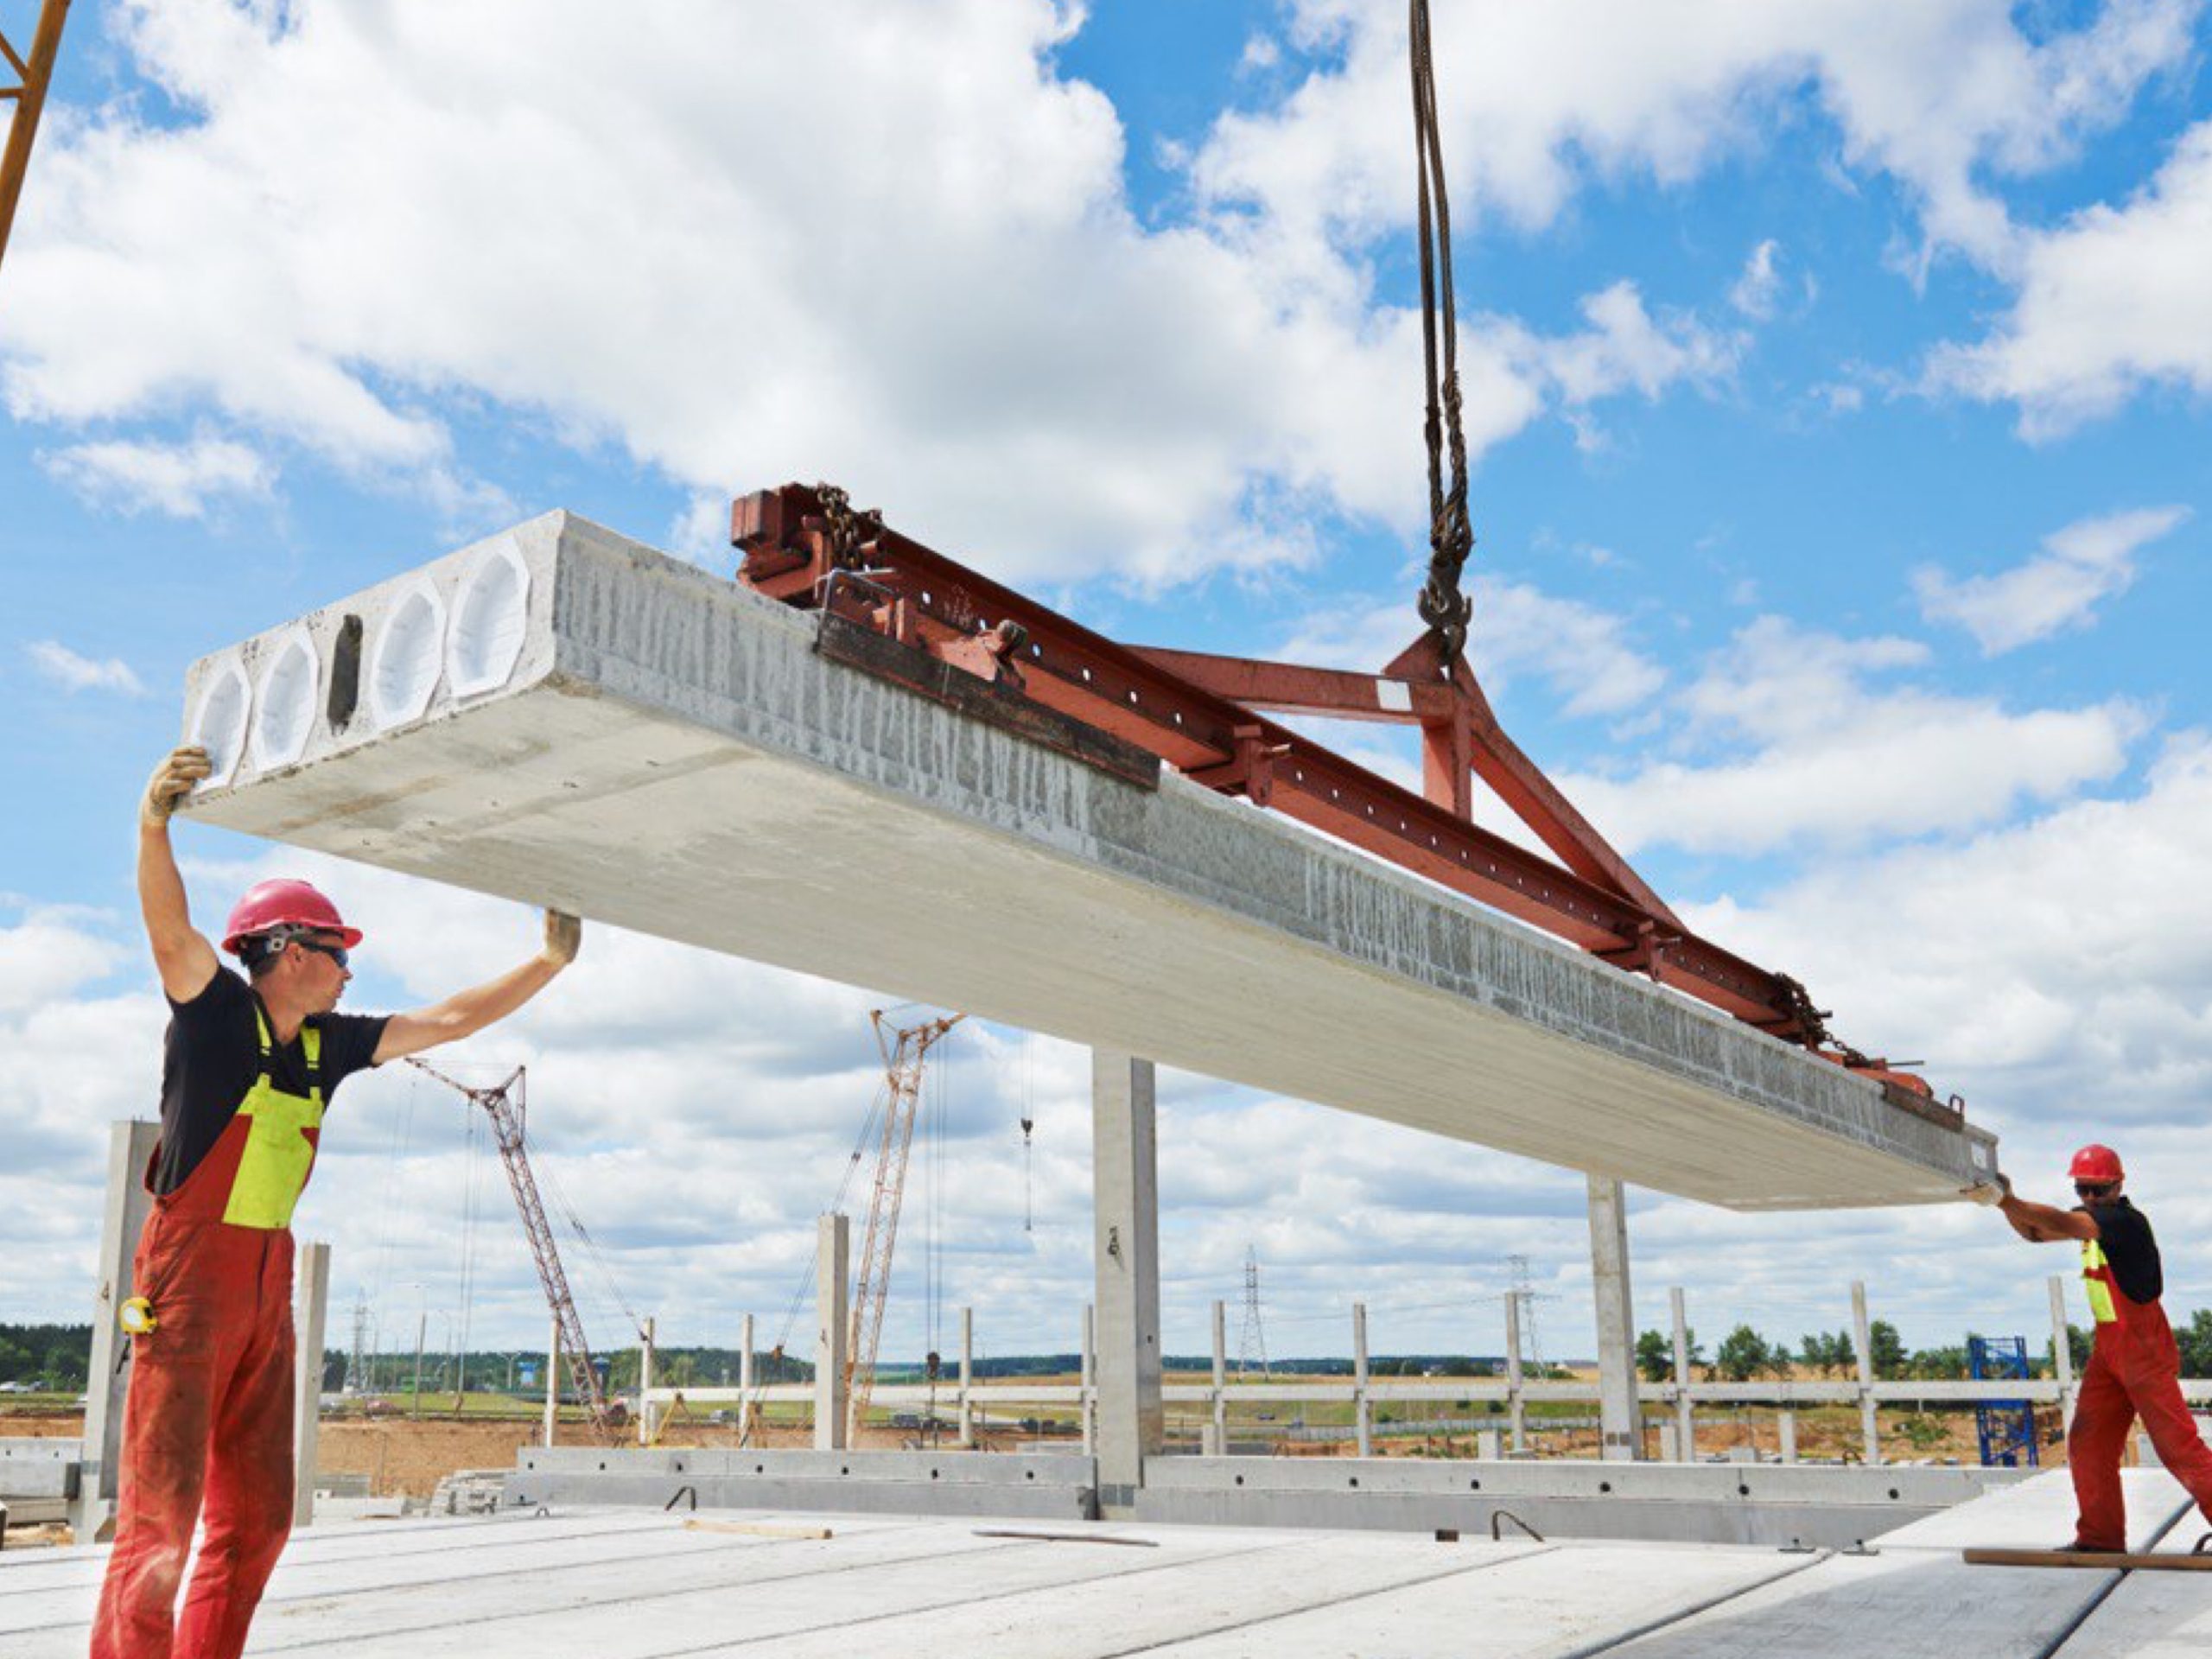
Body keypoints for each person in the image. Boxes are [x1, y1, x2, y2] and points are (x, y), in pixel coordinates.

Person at [92, 744, 582, 1658]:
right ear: (283, 951)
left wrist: (545, 962)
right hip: (189, 1285)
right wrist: (154, 823)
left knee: (263, 1517)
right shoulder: (214, 1018)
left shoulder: (329, 1045)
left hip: (264, 1291)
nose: (350, 971)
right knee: (160, 1524)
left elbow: (447, 1020)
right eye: (335, 951)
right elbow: (169, 934)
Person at [1968, 1145, 2212, 1553]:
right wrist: (2003, 1204)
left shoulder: (2124, 1221)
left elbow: (2061, 1221)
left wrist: (2007, 1199)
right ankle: (2100, 1538)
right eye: (2084, 1189)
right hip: (2110, 1352)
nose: (2091, 1198)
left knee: (2178, 1448)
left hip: (2145, 1350)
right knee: (2087, 1442)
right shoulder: (2093, 1218)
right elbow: (2035, 1232)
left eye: (2099, 1190)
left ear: (2118, 1185)